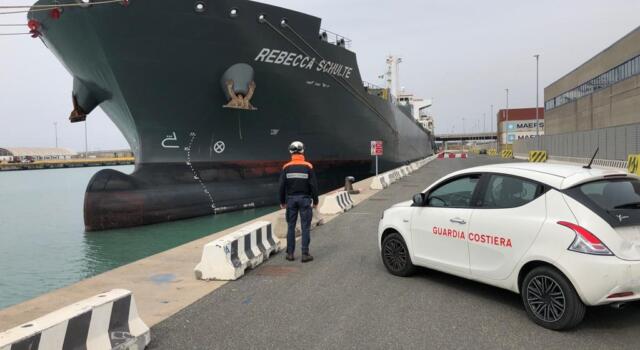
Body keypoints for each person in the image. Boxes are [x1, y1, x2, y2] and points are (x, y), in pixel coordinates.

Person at [279, 141, 319, 263]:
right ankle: (305, 254)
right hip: (305, 200)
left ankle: (290, 254)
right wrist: (315, 200)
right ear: (302, 151)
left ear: (290, 152)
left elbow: (281, 186)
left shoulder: (286, 167)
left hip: (290, 200)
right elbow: (314, 186)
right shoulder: (308, 166)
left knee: (291, 226)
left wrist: (282, 201)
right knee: (305, 227)